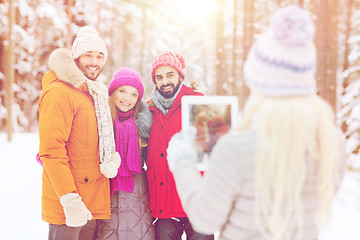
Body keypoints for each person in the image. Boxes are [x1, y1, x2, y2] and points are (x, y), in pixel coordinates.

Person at [166, 5, 346, 240]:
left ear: (259, 84)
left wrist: (182, 161)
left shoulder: (237, 148)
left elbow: (205, 218)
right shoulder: (332, 141)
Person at [38, 26, 121, 240]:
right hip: (68, 206)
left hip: (91, 202)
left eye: (99, 56)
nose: (94, 61)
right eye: (88, 55)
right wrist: (70, 200)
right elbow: (51, 151)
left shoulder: (95, 92)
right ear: (76, 57)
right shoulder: (60, 92)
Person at [146, 51, 214, 240]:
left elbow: (216, 150)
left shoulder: (197, 103)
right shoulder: (148, 110)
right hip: (164, 204)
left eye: (170, 75)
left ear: (180, 76)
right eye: (159, 77)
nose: (165, 81)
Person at [96, 67, 155, 239]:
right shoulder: (100, 120)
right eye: (122, 91)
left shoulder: (145, 124)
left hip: (137, 197)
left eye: (133, 94)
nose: (127, 98)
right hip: (106, 194)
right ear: (113, 91)